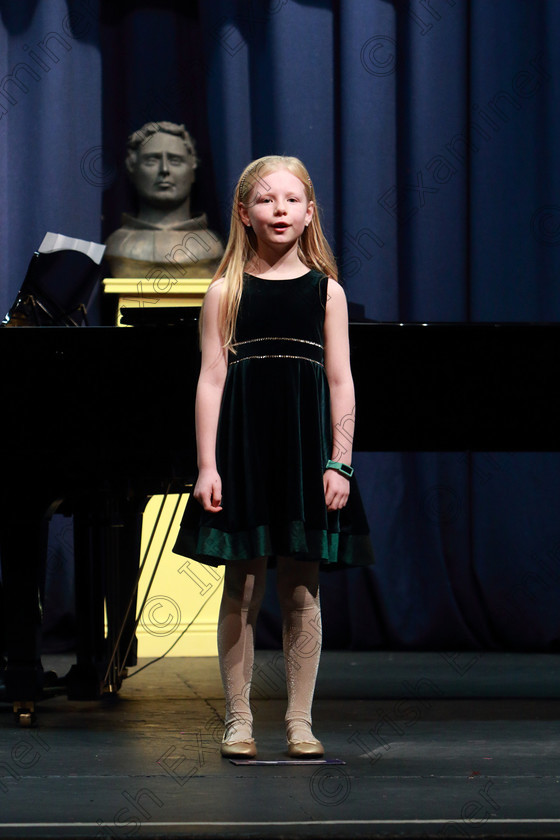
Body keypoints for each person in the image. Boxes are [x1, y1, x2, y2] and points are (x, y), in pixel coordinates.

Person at [173, 155, 374, 759]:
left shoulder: (326, 292)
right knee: (242, 583)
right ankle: (238, 719)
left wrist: (339, 461)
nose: (279, 210)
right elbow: (210, 380)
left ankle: (300, 720)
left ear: (310, 212)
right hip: (245, 453)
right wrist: (208, 466)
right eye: (266, 200)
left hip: (306, 450)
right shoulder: (224, 291)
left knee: (301, 588)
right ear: (245, 213)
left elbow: (341, 381)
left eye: (291, 200)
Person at [104, 122, 223, 279]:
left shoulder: (212, 246)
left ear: (192, 169)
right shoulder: (116, 245)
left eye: (175, 160)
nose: (164, 169)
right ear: (132, 169)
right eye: (152, 160)